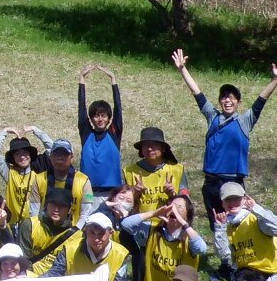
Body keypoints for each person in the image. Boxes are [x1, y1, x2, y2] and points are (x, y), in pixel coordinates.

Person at [171, 51, 277, 218]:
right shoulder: (212, 116)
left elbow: (261, 100)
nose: (227, 101)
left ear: (238, 102)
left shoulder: (245, 120)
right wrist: (182, 69)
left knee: (235, 224)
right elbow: (197, 93)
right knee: (217, 226)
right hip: (211, 182)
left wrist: (276, 79)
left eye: (231, 98)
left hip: (233, 183)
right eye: (224, 97)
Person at [122, 194, 212, 281]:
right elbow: (126, 224)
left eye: (179, 207)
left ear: (187, 215)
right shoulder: (152, 231)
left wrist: (184, 224)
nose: (173, 209)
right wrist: (154, 213)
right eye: (171, 206)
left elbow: (202, 249)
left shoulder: (189, 238)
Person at [212, 182, 277, 281]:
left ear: (244, 199)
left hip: (274, 275)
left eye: (236, 198)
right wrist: (219, 228)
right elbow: (224, 256)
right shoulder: (227, 225)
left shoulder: (255, 219)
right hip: (249, 276)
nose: (232, 203)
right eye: (228, 200)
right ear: (222, 203)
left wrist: (257, 208)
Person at [33, 211, 133, 281]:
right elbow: (54, 274)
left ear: (110, 233)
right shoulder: (69, 249)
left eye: (101, 234)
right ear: (85, 232)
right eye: (92, 233)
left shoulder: (122, 254)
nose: (96, 239)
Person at [27, 133, 97, 224]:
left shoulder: (85, 181)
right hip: (44, 232)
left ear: (71, 157)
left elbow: (87, 212)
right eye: (56, 154)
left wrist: (74, 231)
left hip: (74, 232)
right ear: (50, 156)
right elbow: (34, 212)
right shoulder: (39, 180)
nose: (60, 158)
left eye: (64, 154)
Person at [78, 63, 125, 197]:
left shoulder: (114, 133)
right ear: (91, 118)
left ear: (109, 118)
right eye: (96, 116)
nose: (100, 119)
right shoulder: (86, 134)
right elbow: (81, 108)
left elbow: (118, 109)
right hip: (88, 191)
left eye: (103, 115)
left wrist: (113, 80)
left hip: (112, 192)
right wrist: (82, 79)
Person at [125, 126, 187, 215]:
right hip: (140, 223)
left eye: (153, 144)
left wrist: (172, 195)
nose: (149, 149)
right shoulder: (130, 171)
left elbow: (186, 202)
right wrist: (134, 194)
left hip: (170, 222)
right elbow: (122, 205)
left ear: (162, 148)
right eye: (145, 145)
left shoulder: (177, 169)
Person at [14, 186, 79, 269]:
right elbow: (23, 260)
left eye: (61, 206)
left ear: (69, 209)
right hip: (30, 277)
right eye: (52, 204)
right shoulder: (30, 225)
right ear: (46, 205)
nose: (56, 209)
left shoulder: (75, 235)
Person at [0, 129, 39, 225]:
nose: (22, 157)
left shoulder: (39, 174)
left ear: (30, 154)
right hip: (12, 224)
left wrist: (36, 130)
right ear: (13, 158)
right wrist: (4, 131)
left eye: (25, 152)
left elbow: (52, 151)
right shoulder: (9, 172)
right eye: (17, 154)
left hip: (32, 225)